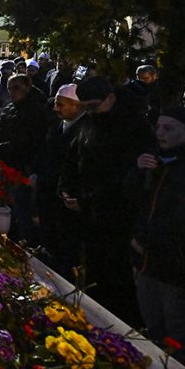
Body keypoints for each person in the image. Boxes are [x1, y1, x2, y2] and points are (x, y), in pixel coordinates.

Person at [127, 106, 185, 369]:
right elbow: (133, 200)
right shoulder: (155, 160)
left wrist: (146, 239)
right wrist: (137, 172)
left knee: (180, 338)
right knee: (154, 328)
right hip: (147, 261)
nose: (160, 133)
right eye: (158, 127)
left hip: (178, 268)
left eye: (169, 128)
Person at [59, 76, 156, 325]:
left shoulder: (133, 126)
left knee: (115, 278)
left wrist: (87, 200)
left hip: (116, 217)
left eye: (93, 106)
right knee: (93, 271)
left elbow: (125, 176)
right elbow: (74, 157)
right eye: (86, 107)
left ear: (111, 98)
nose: (89, 112)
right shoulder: (91, 122)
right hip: (87, 212)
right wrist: (67, 190)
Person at [0, 74, 51, 244]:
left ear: (27, 87)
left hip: (23, 168)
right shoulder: (11, 108)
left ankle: (25, 243)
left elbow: (27, 141)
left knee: (21, 211)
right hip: (6, 165)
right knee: (7, 208)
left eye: (16, 88)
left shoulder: (36, 110)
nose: (12, 92)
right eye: (9, 88)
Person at [33, 83, 87, 277]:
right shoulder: (56, 126)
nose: (56, 109)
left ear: (77, 106)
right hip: (48, 195)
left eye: (61, 105)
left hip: (66, 202)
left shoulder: (85, 130)